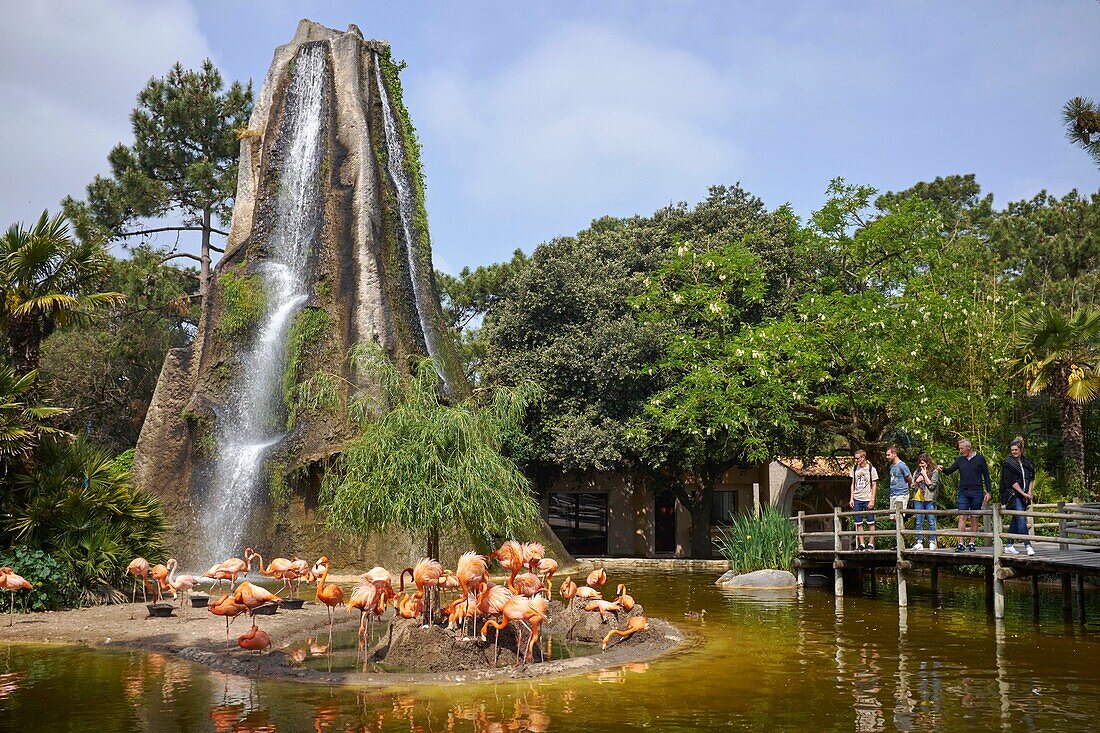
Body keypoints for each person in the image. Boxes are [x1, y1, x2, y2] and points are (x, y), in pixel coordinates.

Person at [942, 439, 992, 552]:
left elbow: (986, 476)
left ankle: (971, 542)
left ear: (968, 447)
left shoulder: (980, 459)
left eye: (962, 448)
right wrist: (942, 469)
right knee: (962, 517)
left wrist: (989, 491)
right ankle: (961, 543)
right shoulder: (960, 460)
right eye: (959, 448)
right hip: (963, 492)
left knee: (974, 517)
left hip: (977, 491)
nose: (960, 450)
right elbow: (949, 470)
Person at [1000, 438, 1036, 556]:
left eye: (1016, 450)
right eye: (1012, 450)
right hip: (1013, 494)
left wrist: (1029, 493)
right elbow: (1011, 481)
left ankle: (1009, 545)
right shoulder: (1008, 463)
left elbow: (1031, 478)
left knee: (1016, 518)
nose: (1014, 452)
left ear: (1021, 450)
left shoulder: (1027, 462)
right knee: (1021, 517)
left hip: (1024, 494)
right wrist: (1023, 494)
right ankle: (1028, 545)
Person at [849, 449, 879, 551]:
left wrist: (872, 499)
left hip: (867, 498)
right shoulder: (854, 469)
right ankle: (861, 544)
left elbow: (874, 485)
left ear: (863, 457)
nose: (856, 460)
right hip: (857, 498)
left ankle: (870, 543)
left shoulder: (871, 469)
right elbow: (853, 483)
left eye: (857, 458)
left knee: (871, 521)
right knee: (858, 522)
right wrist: (851, 498)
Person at [911, 453, 941, 550]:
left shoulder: (934, 472)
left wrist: (924, 475)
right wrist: (917, 481)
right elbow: (912, 486)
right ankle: (919, 542)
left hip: (929, 499)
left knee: (931, 521)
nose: (921, 465)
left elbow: (932, 486)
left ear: (927, 463)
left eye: (923, 463)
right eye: (920, 463)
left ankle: (932, 541)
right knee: (919, 521)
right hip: (918, 499)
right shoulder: (916, 472)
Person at [886, 445, 913, 515]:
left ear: (894, 454)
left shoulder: (902, 466)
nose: (887, 457)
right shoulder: (891, 466)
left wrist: (910, 488)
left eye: (888, 455)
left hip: (901, 494)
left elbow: (910, 478)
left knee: (899, 516)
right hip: (893, 494)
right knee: (892, 517)